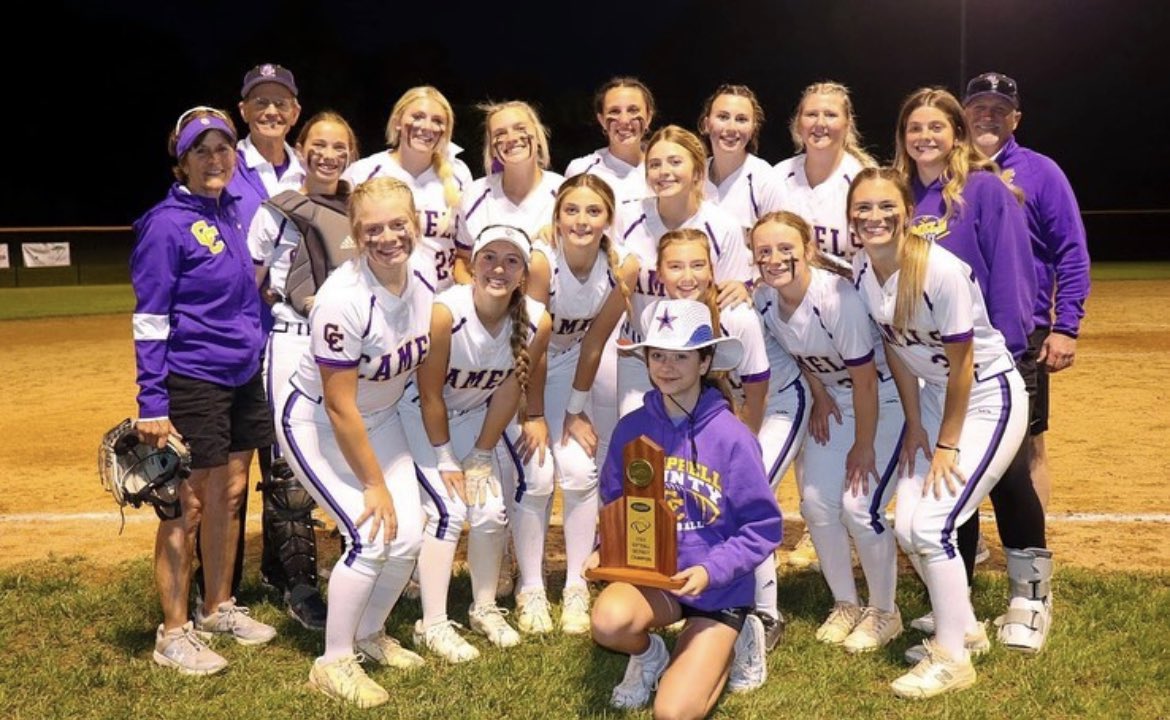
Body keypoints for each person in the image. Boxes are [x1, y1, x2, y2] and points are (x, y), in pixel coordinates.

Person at [849, 167, 1028, 698]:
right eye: (863, 208)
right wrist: (913, 425)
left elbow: (965, 364)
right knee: (908, 525)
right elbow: (898, 352)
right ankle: (965, 627)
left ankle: (951, 659)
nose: (875, 217)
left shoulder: (938, 270)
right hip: (930, 398)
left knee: (932, 526)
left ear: (908, 213)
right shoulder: (865, 270)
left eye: (886, 207)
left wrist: (947, 442)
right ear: (850, 218)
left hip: (985, 398)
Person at [894, 87, 1052, 654]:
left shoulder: (984, 188)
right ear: (903, 136)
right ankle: (953, 606)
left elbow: (1011, 271)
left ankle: (1029, 598)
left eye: (937, 126)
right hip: (934, 369)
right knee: (951, 481)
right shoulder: (901, 195)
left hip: (992, 359)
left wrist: (1015, 347)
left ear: (956, 134)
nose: (926, 137)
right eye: (915, 127)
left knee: (1008, 477)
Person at [275, 177, 434, 707]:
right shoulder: (343, 300)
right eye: (373, 229)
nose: (388, 237)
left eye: (398, 224)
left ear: (415, 222)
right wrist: (374, 484)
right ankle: (333, 661)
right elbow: (340, 405)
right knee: (370, 534)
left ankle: (368, 634)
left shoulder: (425, 273)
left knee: (407, 538)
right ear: (356, 235)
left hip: (381, 417)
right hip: (319, 422)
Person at [132, 107, 277, 676]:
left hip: (243, 374)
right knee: (185, 505)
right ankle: (173, 631)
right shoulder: (165, 224)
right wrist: (152, 402)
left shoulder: (236, 213)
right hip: (193, 376)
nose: (215, 159)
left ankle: (218, 607)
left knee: (232, 493)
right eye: (202, 151)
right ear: (181, 162)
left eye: (223, 149)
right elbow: (149, 318)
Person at [589, 298, 781, 716]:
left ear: (705, 361)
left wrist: (712, 570)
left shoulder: (733, 436)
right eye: (657, 355)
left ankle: (739, 638)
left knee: (672, 713)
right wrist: (608, 544)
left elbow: (763, 526)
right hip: (657, 578)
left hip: (716, 587)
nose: (667, 367)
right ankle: (651, 654)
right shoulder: (632, 428)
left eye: (681, 356)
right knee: (608, 622)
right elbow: (616, 498)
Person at [750, 211, 905, 654]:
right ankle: (845, 603)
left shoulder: (837, 299)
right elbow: (794, 352)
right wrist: (818, 392)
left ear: (808, 251)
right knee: (817, 505)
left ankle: (884, 611)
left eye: (785, 249)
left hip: (882, 400)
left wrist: (862, 445)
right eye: (764, 252)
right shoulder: (765, 299)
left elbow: (866, 380)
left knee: (859, 507)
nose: (775, 259)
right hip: (837, 399)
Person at [404, 224, 553, 663]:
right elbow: (429, 393)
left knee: (490, 509)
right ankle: (430, 624)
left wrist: (483, 452)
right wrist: (449, 458)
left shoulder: (537, 319)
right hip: (419, 416)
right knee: (446, 510)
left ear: (524, 272)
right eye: (489, 257)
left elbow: (511, 387)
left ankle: (483, 606)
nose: (499, 268)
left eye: (511, 261)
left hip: (472, 419)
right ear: (471, 263)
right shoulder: (445, 312)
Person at [247, 110, 360, 630]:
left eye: (340, 146)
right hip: (293, 339)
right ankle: (299, 584)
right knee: (290, 469)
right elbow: (252, 278)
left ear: (351, 152)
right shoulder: (278, 208)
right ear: (303, 147)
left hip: (346, 346)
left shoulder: (359, 206)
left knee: (348, 455)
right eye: (319, 144)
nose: (329, 154)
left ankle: (354, 570)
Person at [507, 174, 634, 635]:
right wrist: (534, 413)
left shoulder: (624, 267)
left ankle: (577, 585)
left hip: (571, 368)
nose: (582, 220)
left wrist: (575, 410)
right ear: (557, 217)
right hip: (521, 368)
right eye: (572, 210)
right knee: (537, 476)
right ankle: (531, 588)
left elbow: (594, 345)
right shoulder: (543, 262)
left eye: (593, 211)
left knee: (581, 471)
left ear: (608, 219)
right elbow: (531, 343)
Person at [962, 71, 1091, 513]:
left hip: (1022, 330)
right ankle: (964, 540)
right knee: (955, 440)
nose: (988, 116)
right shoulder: (946, 171)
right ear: (963, 114)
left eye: (999, 110)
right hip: (953, 330)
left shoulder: (1041, 172)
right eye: (979, 108)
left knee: (1027, 445)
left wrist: (1066, 327)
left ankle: (1030, 552)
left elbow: (1071, 252)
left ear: (1015, 119)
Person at [343, 85, 474, 292]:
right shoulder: (363, 172)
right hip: (380, 298)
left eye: (437, 121)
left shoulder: (459, 174)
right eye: (418, 116)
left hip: (441, 300)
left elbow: (464, 252)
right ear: (397, 122)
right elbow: (344, 241)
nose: (427, 126)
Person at [775, 81, 878, 261]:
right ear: (799, 123)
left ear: (847, 123)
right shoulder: (778, 176)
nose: (820, 123)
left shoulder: (865, 180)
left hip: (852, 288)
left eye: (830, 115)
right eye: (811, 114)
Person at [699, 84, 784, 231]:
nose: (731, 128)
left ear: (753, 128)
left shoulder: (766, 181)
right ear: (706, 124)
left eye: (741, 119)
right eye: (723, 117)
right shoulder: (693, 176)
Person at [565, 77, 656, 206]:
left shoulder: (664, 170)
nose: (624, 120)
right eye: (614, 111)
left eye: (633, 110)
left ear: (649, 117)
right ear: (601, 120)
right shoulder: (581, 170)